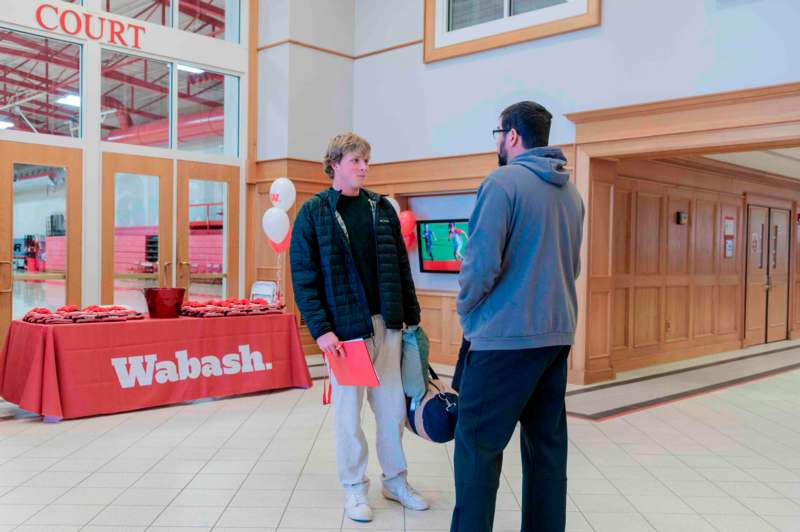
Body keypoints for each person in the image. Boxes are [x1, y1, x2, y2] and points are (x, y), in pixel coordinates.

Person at [451, 102, 585, 532]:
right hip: (555, 337)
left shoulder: (502, 182)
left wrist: (467, 310)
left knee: (477, 452)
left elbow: (480, 265)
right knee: (546, 453)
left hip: (502, 342)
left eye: (498, 134)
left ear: (510, 135)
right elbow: (572, 267)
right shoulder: (571, 193)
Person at [290, 133, 429, 523]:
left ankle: (396, 480)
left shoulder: (381, 208)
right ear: (334, 163)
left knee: (392, 411)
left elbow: (402, 269)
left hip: (388, 325)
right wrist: (321, 330)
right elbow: (304, 278)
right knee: (349, 416)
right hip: (344, 334)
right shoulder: (314, 212)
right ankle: (354, 489)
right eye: (355, 160)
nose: (364, 167)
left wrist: (411, 320)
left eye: (366, 160)